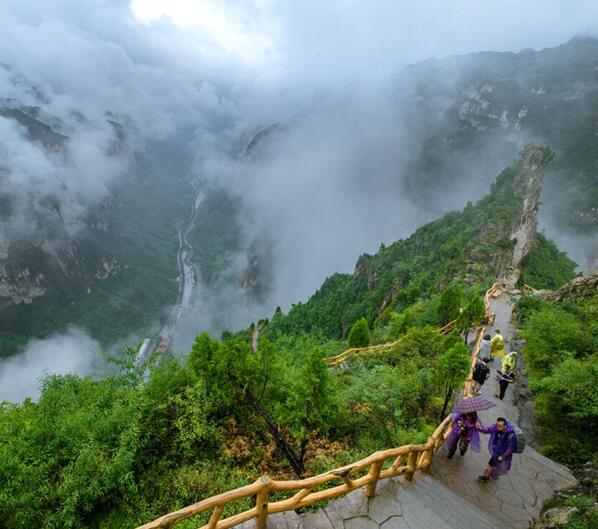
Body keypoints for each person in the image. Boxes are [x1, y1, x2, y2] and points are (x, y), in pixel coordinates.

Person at [476, 417, 517, 482]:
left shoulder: (511, 435)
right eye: (497, 425)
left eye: (500, 426)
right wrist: (479, 428)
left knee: (491, 463)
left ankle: (486, 477)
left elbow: (511, 448)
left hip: (502, 453)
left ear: (505, 426)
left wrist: (503, 456)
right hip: (497, 450)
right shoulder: (497, 428)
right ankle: (492, 473)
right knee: (494, 463)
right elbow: (488, 430)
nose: (497, 427)